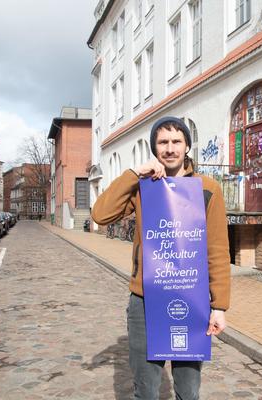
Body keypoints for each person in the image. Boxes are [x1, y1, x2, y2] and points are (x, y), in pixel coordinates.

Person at [91, 116, 231, 400]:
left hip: (191, 297)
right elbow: (100, 214)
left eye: (176, 141)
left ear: (187, 146)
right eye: (163, 142)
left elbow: (217, 248)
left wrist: (219, 306)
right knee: (146, 389)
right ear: (155, 148)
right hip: (145, 299)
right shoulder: (145, 187)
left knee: (189, 391)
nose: (170, 148)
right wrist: (134, 174)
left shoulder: (208, 188)